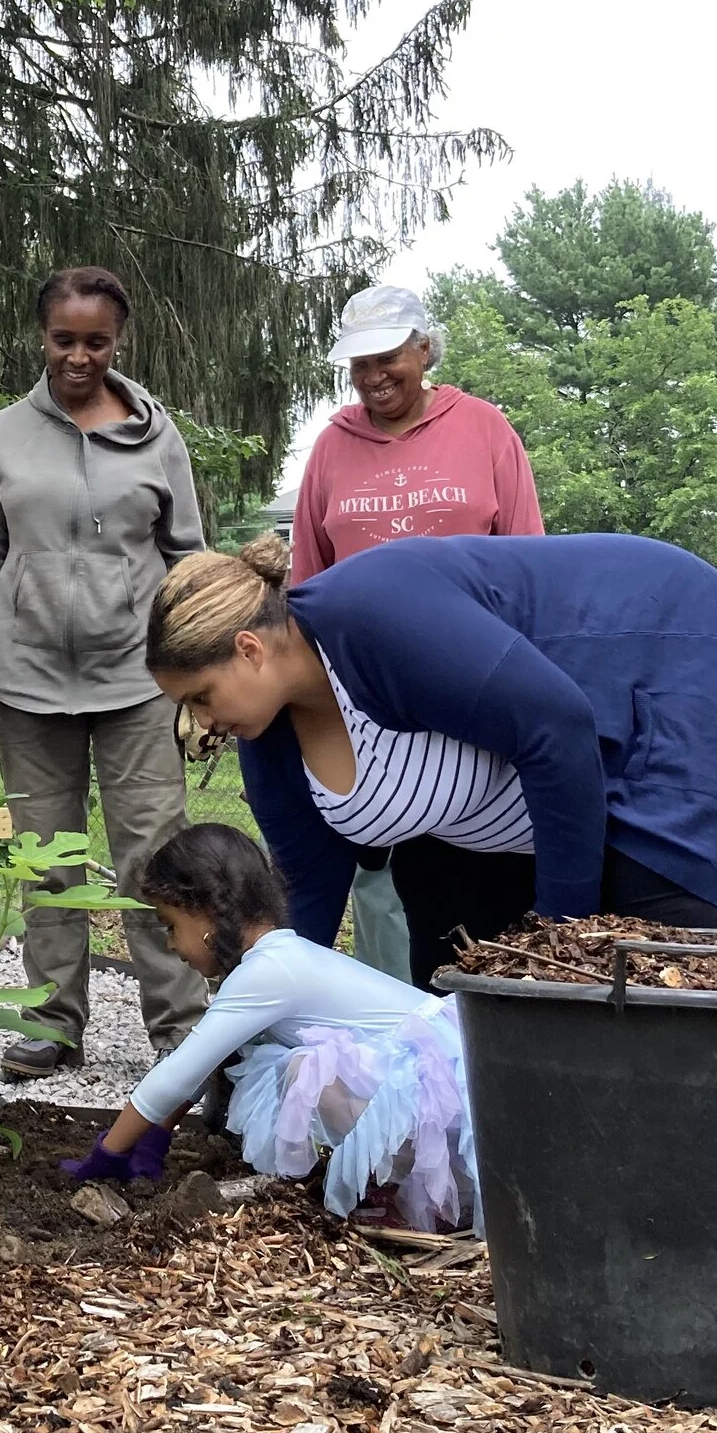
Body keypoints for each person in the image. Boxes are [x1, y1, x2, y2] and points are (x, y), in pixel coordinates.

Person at [146, 533, 717, 985]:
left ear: (251, 649)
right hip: (522, 789)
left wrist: (562, 932)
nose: (202, 721)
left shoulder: (377, 615)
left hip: (664, 656)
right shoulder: (269, 738)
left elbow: (556, 730)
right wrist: (254, 1027)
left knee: (670, 954)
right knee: (456, 977)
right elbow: (307, 895)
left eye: (202, 696)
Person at [0, 265, 211, 1078]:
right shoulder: (2, 436)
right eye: (66, 340)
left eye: (97, 342)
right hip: (27, 684)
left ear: (118, 341)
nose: (80, 356)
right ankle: (53, 1022)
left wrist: (196, 670)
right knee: (45, 859)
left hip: (137, 682)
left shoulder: (158, 436)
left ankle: (179, 1025)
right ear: (42, 337)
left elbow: (189, 556)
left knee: (155, 856)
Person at [288, 283, 544, 985]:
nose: (372, 378)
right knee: (391, 862)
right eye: (357, 365)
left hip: (478, 679)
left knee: (478, 855)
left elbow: (530, 561)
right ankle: (402, 1013)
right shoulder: (334, 445)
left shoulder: (485, 427)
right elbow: (306, 580)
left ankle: (495, 1005)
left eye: (387, 358)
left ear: (424, 348)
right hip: (370, 698)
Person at [59, 824, 474, 1239]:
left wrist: (108, 1154)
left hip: (446, 1100)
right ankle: (400, 1182)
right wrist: (156, 1138)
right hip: (447, 1082)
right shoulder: (273, 960)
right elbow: (207, 1061)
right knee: (289, 1066)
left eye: (170, 926)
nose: (171, 944)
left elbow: (175, 1075)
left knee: (311, 1071)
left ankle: (414, 1194)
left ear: (204, 911)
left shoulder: (267, 971)